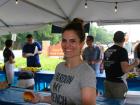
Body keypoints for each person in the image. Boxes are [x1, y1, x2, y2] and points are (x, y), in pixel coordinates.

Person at [28, 18, 96, 105]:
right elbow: (57, 98)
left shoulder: (86, 73)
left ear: (81, 44)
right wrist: (40, 98)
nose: (67, 45)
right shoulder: (59, 67)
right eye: (64, 40)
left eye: (72, 41)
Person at [104, 31, 139, 98]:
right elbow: (125, 69)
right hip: (118, 84)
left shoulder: (107, 50)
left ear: (113, 39)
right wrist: (135, 63)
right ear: (123, 40)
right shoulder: (122, 51)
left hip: (107, 81)